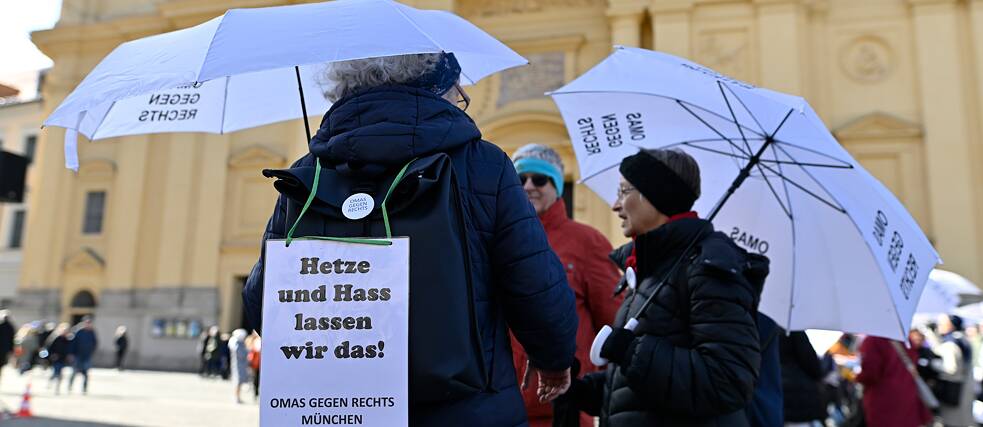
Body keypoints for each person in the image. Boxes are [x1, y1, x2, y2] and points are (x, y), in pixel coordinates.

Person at [242, 52, 578, 426]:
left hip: (341, 409)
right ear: (434, 87)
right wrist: (554, 361)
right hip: (465, 408)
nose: (460, 98)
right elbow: (534, 283)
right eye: (458, 92)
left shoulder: (308, 172)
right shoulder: (484, 165)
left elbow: (265, 303)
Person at [561, 149, 766, 426]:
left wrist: (632, 352)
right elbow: (642, 395)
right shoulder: (651, 269)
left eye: (624, 191)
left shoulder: (708, 270)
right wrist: (582, 389)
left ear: (654, 195)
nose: (615, 205)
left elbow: (727, 381)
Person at [510, 144, 622, 427]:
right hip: (504, 406)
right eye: (521, 178)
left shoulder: (588, 242)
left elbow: (612, 324)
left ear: (557, 185)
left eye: (540, 178)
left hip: (564, 408)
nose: (529, 186)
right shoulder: (499, 242)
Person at [855, 335, 932, 427]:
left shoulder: (872, 341)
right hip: (907, 396)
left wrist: (856, 377)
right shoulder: (904, 339)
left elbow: (870, 375)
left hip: (884, 401)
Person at [931, 315, 974, 427]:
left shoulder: (951, 343)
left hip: (953, 390)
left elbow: (951, 369)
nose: (938, 326)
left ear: (951, 325)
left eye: (942, 323)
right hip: (964, 388)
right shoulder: (963, 339)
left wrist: (933, 364)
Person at [780, 331, 826, 426]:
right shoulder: (795, 331)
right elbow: (813, 366)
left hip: (776, 398)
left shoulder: (765, 326)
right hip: (798, 399)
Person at [68, 316, 98, 394]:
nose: (88, 324)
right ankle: (70, 386)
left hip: (87, 356)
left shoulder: (92, 332)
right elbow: (73, 344)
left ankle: (84, 388)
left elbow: (95, 343)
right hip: (78, 355)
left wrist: (91, 352)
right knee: (74, 372)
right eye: (86, 323)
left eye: (89, 323)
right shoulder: (78, 332)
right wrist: (71, 354)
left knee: (86, 374)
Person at [45, 323, 71, 394]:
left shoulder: (68, 339)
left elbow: (69, 349)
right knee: (56, 373)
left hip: (63, 359)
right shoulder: (56, 338)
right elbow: (49, 348)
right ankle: (51, 383)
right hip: (55, 358)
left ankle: (57, 388)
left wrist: (69, 356)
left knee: (60, 374)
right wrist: (51, 355)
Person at [229, 329, 249, 403]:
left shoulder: (238, 342)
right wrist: (247, 351)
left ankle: (238, 396)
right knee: (237, 381)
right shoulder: (236, 342)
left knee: (239, 381)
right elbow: (240, 353)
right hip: (238, 364)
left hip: (241, 364)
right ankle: (236, 397)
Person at [0, 311, 14, 385]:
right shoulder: (10, 326)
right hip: (5, 349)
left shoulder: (2, 325)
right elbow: (12, 339)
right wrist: (11, 350)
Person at [247, 333, 261, 401]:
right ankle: (256, 393)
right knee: (255, 378)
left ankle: (256, 393)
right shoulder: (255, 340)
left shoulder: (255, 340)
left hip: (257, 362)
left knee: (256, 378)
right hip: (256, 363)